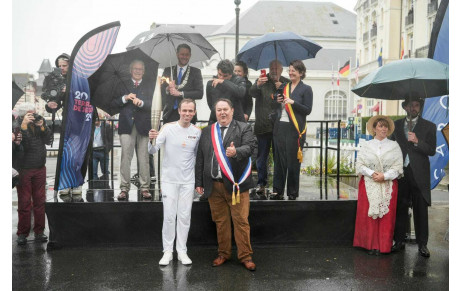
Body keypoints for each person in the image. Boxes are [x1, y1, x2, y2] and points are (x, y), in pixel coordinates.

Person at [195, 98, 257, 271]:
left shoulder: (244, 127)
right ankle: (223, 253)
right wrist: (199, 181)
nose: (222, 113)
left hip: (236, 185)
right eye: (219, 110)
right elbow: (201, 157)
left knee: (241, 221)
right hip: (214, 186)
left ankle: (245, 256)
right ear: (215, 113)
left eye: (225, 109)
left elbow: (251, 147)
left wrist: (236, 151)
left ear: (232, 110)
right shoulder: (207, 131)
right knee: (220, 221)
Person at [148, 99, 201, 266]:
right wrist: (151, 139)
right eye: (184, 110)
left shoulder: (197, 132)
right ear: (179, 110)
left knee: (184, 216)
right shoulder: (168, 128)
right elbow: (152, 150)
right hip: (169, 180)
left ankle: (182, 251)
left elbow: (198, 157)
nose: (187, 114)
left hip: (187, 181)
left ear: (194, 112)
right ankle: (168, 251)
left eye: (190, 111)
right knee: (170, 216)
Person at [390, 97, 436, 257]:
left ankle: (422, 244)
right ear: (405, 107)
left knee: (420, 209)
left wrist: (417, 141)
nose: (413, 108)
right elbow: (390, 147)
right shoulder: (395, 125)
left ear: (420, 107)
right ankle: (399, 241)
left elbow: (432, 150)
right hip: (401, 172)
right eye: (410, 105)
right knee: (400, 208)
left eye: (416, 105)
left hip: (419, 174)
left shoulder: (429, 126)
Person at [353, 116, 403, 255]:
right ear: (374, 129)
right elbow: (360, 164)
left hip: (388, 184)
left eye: (385, 126)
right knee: (370, 215)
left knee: (386, 216)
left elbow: (398, 167)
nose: (383, 129)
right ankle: (370, 245)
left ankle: (383, 246)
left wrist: (385, 176)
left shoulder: (394, 146)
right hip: (369, 183)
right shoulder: (367, 145)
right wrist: (373, 173)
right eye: (380, 126)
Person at [111, 60, 153, 200]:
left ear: (144, 71)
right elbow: (114, 103)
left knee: (144, 158)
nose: (138, 71)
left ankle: (145, 188)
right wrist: (124, 98)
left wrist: (141, 103)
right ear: (131, 70)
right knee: (125, 158)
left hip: (144, 126)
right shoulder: (122, 84)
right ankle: (124, 188)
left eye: (140, 69)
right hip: (126, 126)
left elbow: (154, 104)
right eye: (135, 68)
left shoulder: (149, 85)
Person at [271, 60, 313, 200]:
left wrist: (293, 102)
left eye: (294, 70)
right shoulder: (284, 86)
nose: (290, 72)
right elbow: (273, 103)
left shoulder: (306, 89)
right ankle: (277, 190)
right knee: (279, 160)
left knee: (293, 162)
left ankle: (292, 193)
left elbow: (307, 110)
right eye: (289, 70)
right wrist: (277, 101)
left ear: (301, 72)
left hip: (295, 129)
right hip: (280, 126)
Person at [249, 60, 289, 198]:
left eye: (276, 68)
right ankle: (261, 183)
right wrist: (257, 84)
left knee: (279, 158)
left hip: (280, 126)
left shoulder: (286, 82)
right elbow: (252, 93)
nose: (274, 70)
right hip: (263, 125)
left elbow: (290, 99)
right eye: (271, 68)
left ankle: (278, 186)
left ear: (281, 70)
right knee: (262, 157)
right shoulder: (262, 80)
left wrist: (282, 87)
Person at [14, 103, 53, 245]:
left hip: (40, 167)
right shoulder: (17, 125)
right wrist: (24, 127)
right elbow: (24, 146)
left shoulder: (39, 123)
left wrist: (43, 126)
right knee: (24, 203)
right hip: (24, 169)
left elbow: (49, 140)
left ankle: (39, 231)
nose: (34, 115)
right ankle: (22, 233)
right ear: (24, 115)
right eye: (30, 113)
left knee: (40, 201)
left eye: (34, 112)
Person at [161, 44, 203, 124]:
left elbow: (199, 94)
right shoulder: (168, 70)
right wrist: (167, 89)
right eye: (182, 54)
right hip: (170, 114)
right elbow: (161, 91)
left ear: (190, 55)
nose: (184, 57)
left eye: (187, 55)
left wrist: (180, 93)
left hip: (188, 114)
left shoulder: (196, 72)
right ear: (177, 54)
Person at [206, 60, 246, 124]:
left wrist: (224, 82)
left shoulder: (239, 80)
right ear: (217, 71)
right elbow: (210, 103)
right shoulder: (211, 83)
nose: (221, 77)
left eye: (225, 76)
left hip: (236, 120)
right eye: (220, 74)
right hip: (216, 120)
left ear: (231, 74)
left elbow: (241, 93)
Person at [92, 112, 113, 180]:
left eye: (97, 118)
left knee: (105, 171)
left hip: (103, 151)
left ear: (100, 118)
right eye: (94, 118)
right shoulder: (91, 127)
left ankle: (106, 186)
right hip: (93, 152)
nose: (95, 120)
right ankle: (94, 187)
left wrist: (107, 149)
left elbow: (110, 139)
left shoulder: (106, 126)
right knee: (93, 172)